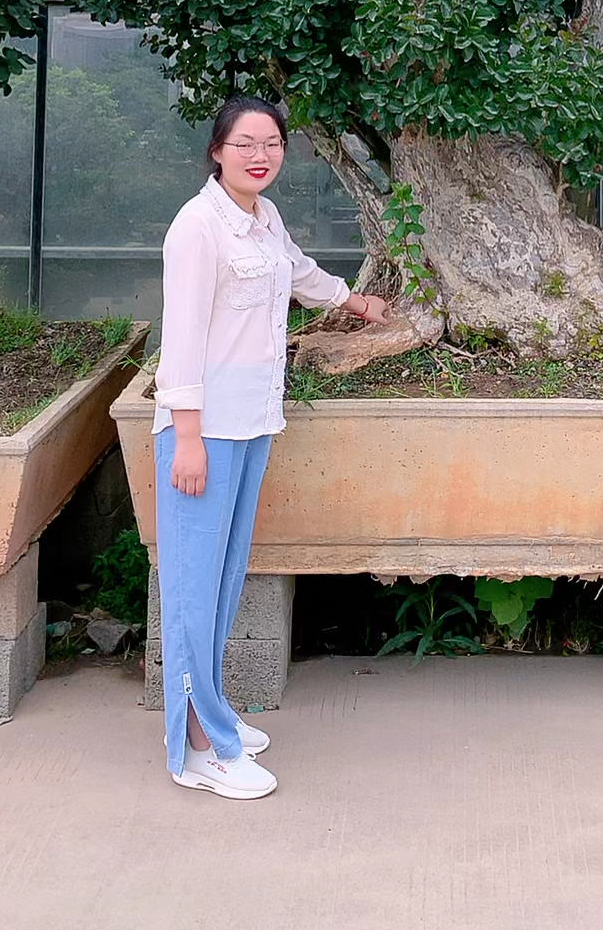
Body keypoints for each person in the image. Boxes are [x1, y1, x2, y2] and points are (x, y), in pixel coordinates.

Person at [153, 95, 387, 799]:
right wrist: (186, 438)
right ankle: (204, 748)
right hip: (203, 434)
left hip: (252, 423)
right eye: (246, 143)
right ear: (217, 150)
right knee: (193, 594)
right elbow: (182, 337)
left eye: (274, 144)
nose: (261, 155)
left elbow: (297, 269)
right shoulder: (197, 228)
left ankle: (211, 712)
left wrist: (351, 300)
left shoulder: (263, 218)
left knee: (223, 583)